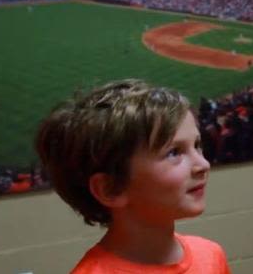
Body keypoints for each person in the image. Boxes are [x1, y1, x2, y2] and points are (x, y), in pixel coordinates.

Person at [35, 79, 231, 273]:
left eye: (197, 145)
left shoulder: (211, 256)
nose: (203, 165)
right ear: (111, 189)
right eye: (174, 152)